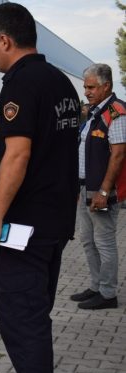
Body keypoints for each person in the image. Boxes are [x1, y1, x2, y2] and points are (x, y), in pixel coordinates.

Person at [0, 4, 80, 373]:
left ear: (5, 40)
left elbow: (17, 153)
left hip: (25, 224)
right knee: (36, 310)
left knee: (21, 317)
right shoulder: (61, 83)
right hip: (56, 219)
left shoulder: (20, 83)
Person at [70, 63, 125, 310]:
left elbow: (118, 155)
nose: (87, 92)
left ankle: (108, 293)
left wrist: (104, 191)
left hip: (102, 191)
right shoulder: (94, 112)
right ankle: (96, 286)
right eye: (85, 87)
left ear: (107, 86)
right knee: (87, 240)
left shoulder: (116, 112)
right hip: (86, 188)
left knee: (104, 242)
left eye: (91, 87)